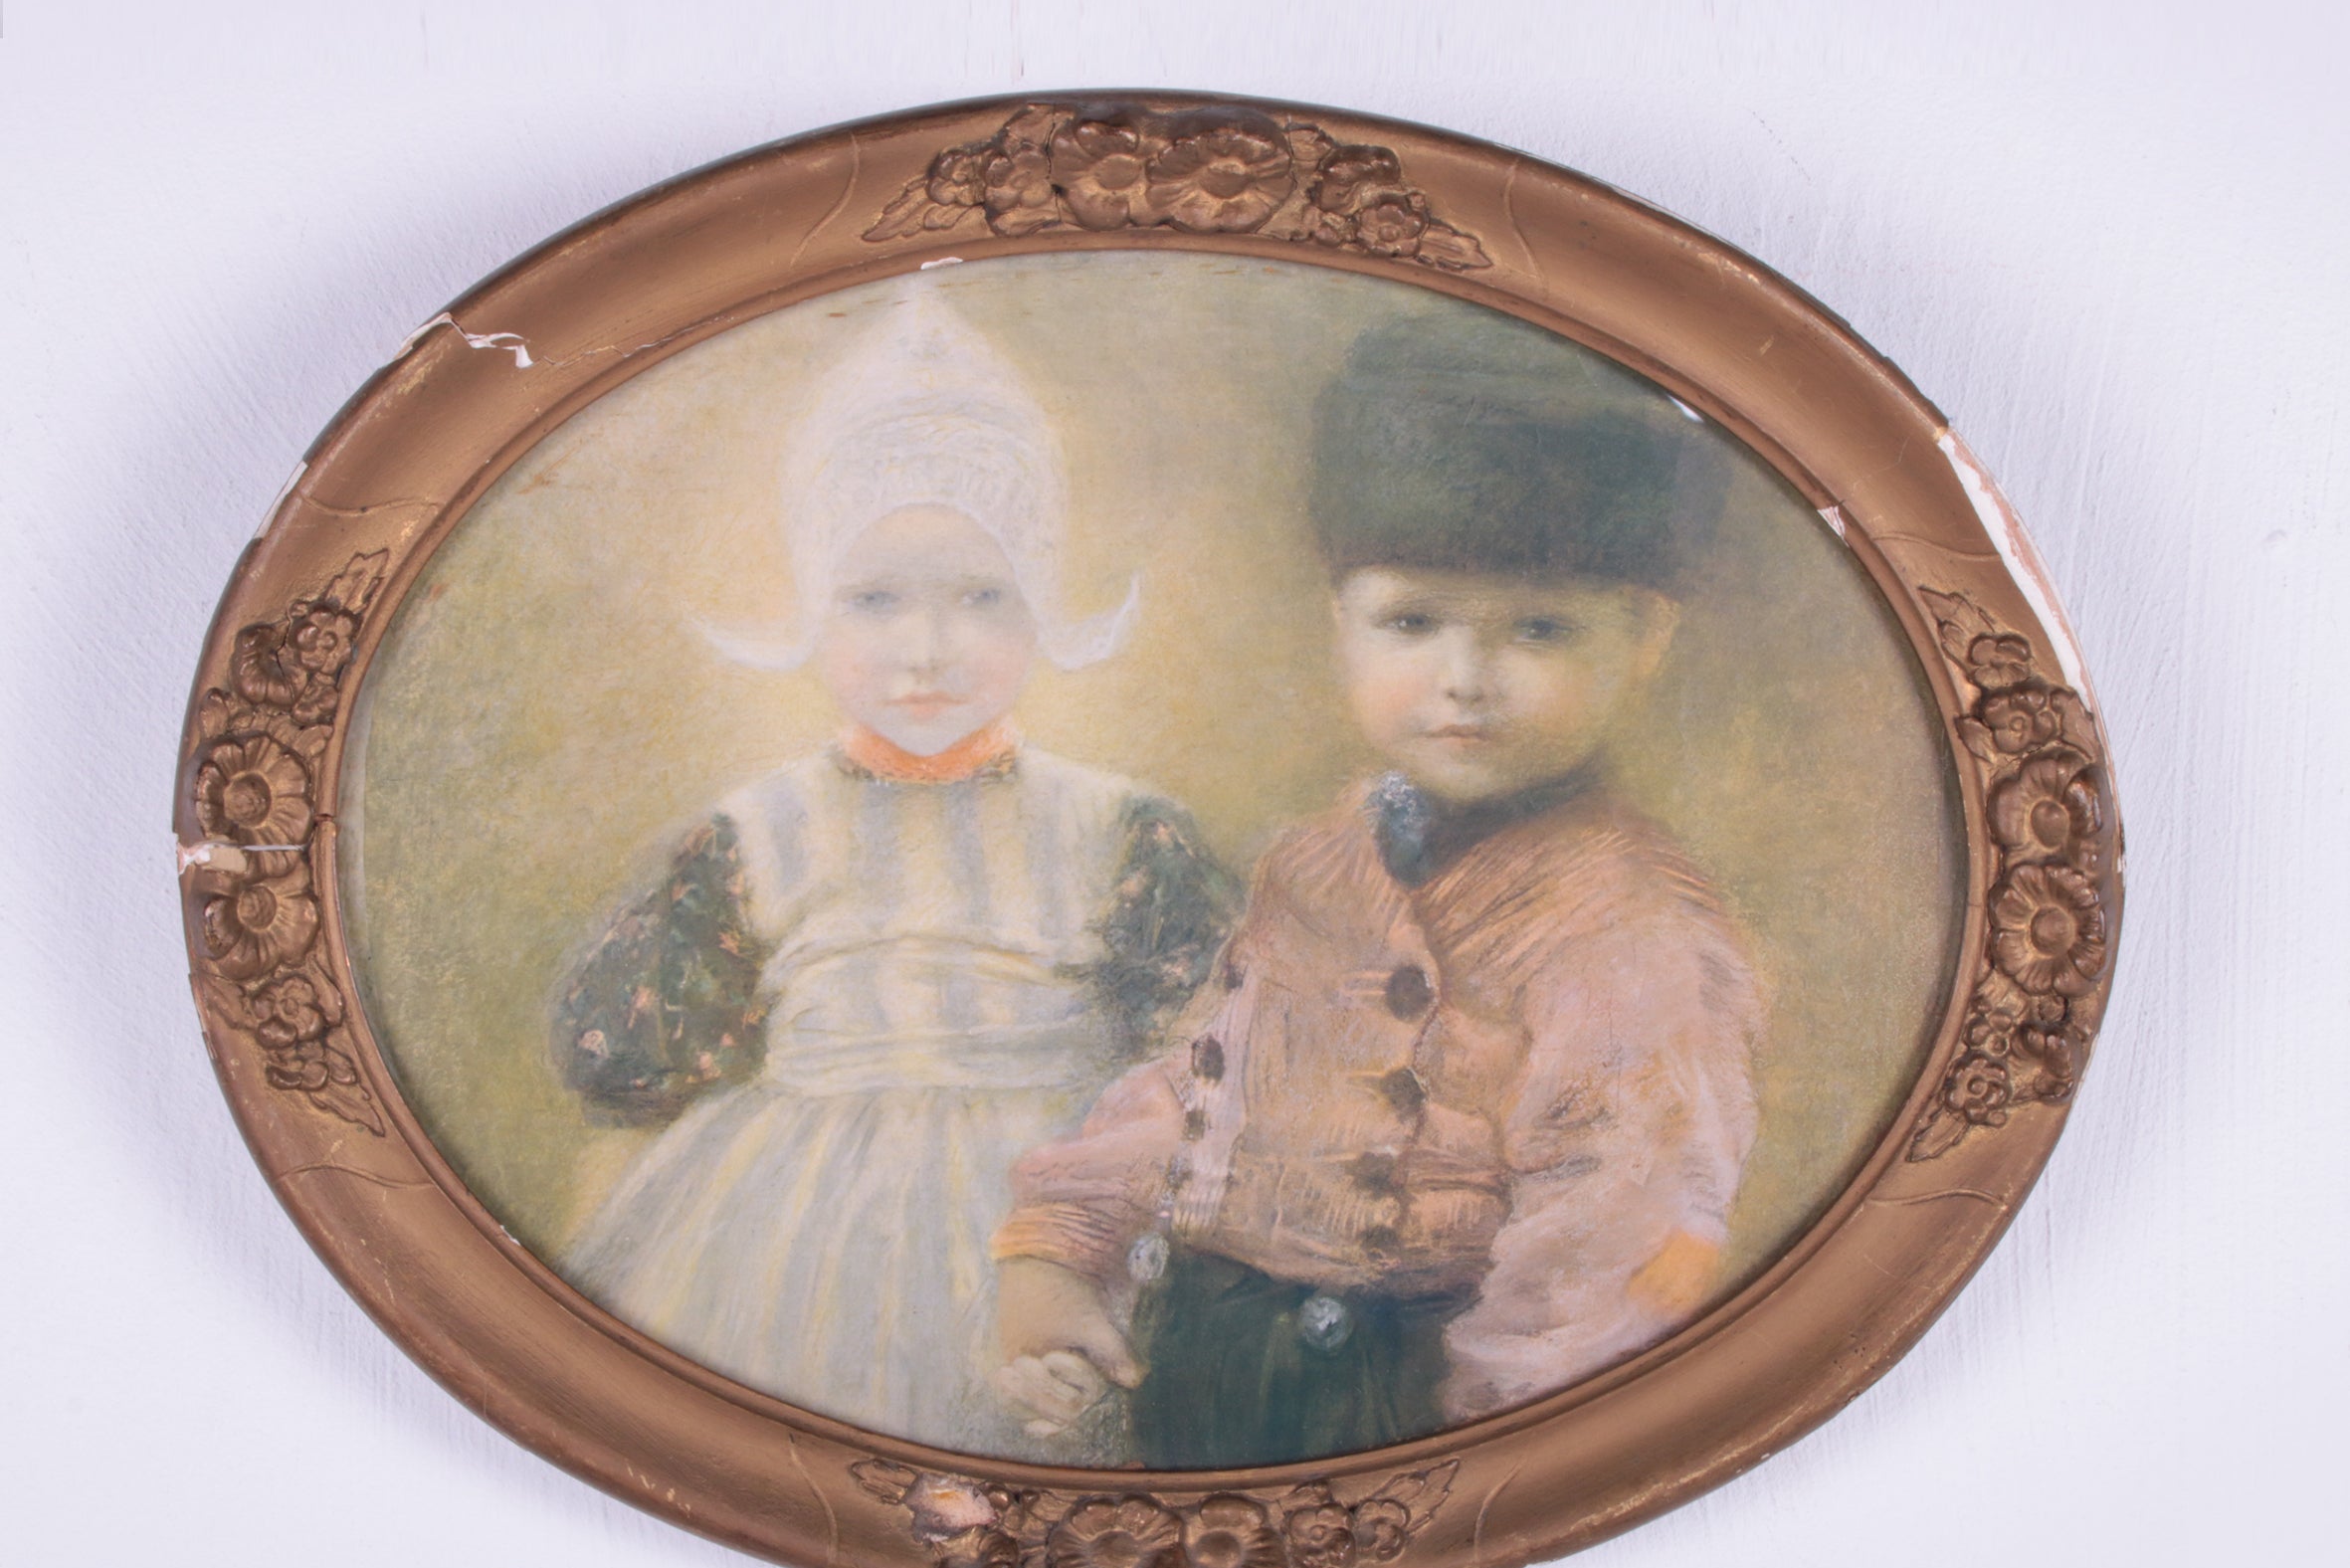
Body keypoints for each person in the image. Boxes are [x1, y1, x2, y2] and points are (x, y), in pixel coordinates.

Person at [992, 317, 1766, 1467]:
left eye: (1539, 629)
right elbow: (1206, 1080)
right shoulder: (1317, 861)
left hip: (1414, 1403)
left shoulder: (1632, 926)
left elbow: (1611, 1240)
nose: (1465, 680)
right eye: (1411, 621)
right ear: (1341, 626)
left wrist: (1494, 1455)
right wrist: (1062, 1250)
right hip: (1207, 1367)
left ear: (1644, 640)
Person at [553, 290, 1233, 1455]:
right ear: (815, 605)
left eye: (981, 598)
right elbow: (636, 1063)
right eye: (874, 600)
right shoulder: (749, 835)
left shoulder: (1120, 830)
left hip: (1060, 1212)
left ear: (1041, 603)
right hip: (790, 1225)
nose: (926, 649)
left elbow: (1206, 1053)